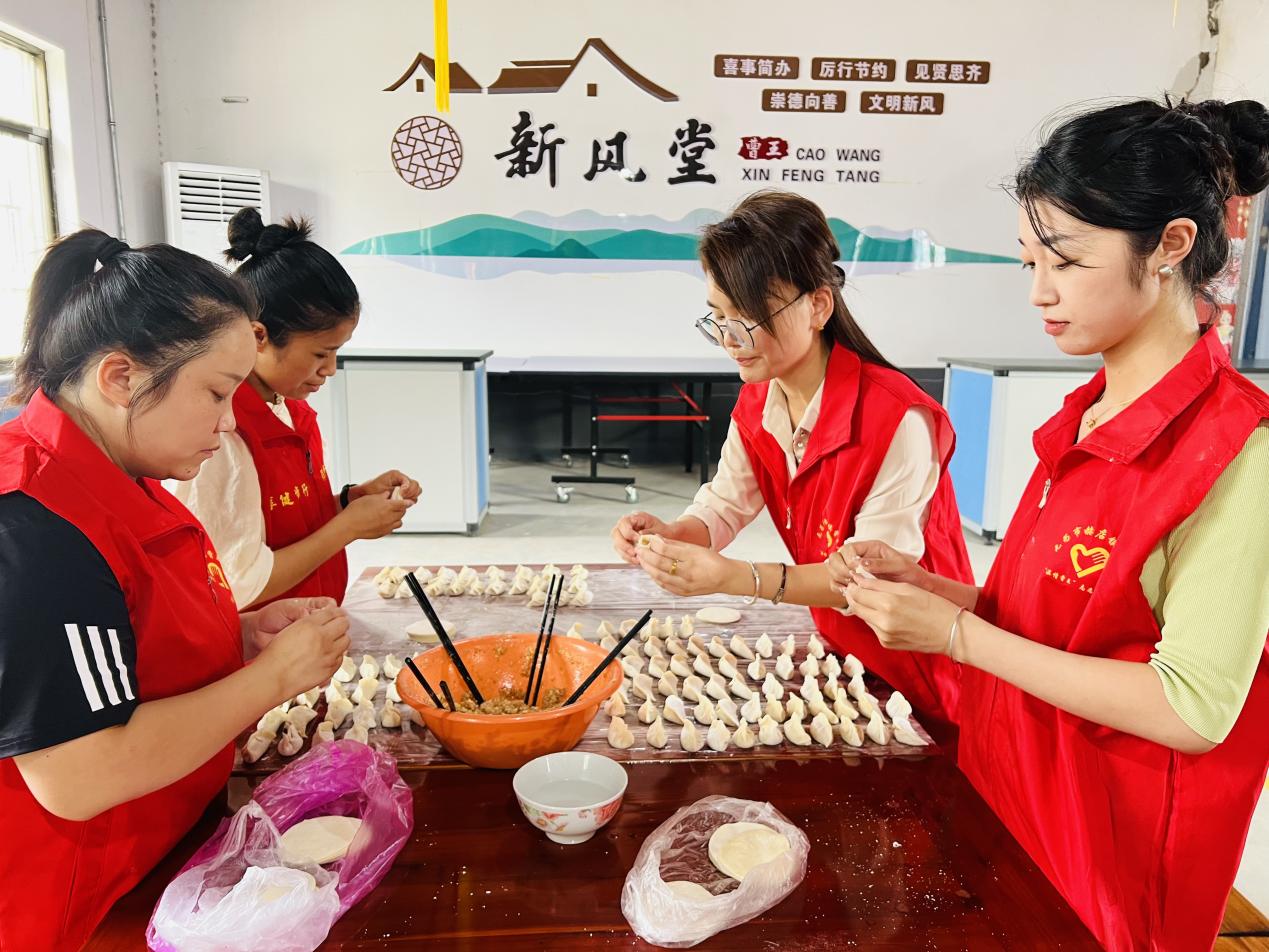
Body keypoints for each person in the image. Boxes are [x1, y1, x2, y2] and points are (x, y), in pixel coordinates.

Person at [835, 98, 1269, 951]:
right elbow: (1065, 625)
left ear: (1171, 244)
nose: (1038, 292)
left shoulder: (1236, 451)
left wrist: (955, 636)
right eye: (1029, 261)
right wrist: (938, 593)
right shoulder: (1085, 417)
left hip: (1107, 857)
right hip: (1011, 797)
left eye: (1065, 261)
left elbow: (1191, 708)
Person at [0, 230, 350, 948]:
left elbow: (127, 642)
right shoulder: (36, 528)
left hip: (162, 848)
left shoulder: (125, 471)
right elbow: (81, 775)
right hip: (79, 900)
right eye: (216, 393)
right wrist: (271, 678)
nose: (229, 422)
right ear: (121, 377)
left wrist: (240, 638)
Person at [614, 190, 973, 730]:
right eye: (719, 317)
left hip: (919, 662)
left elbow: (870, 580)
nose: (730, 339)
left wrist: (735, 578)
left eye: (749, 317)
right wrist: (673, 535)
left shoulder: (898, 419)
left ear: (819, 306)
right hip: (839, 648)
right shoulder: (759, 400)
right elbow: (725, 505)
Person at [174, 208, 419, 608]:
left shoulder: (289, 409)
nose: (331, 369)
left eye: (337, 352)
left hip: (310, 628)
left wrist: (349, 502)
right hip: (268, 641)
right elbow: (239, 584)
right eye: (321, 353)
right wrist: (346, 529)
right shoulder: (221, 437)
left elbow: (289, 522)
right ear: (259, 336)